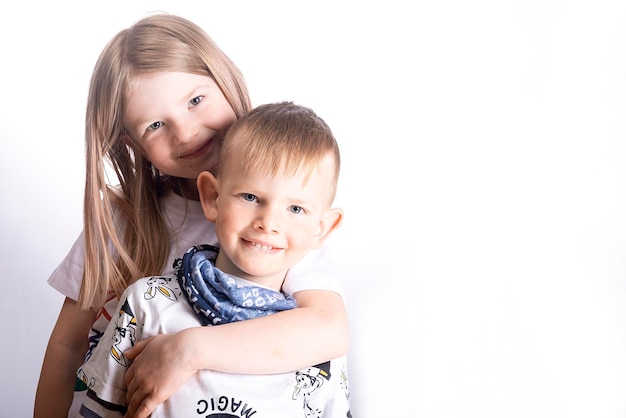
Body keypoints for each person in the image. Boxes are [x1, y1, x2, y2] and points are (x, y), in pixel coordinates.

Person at [34, 14, 348, 418]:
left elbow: (327, 329)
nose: (185, 133)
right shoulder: (122, 217)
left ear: (226, 79)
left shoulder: (281, 223)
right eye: (156, 124)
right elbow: (67, 345)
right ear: (134, 146)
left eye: (196, 100)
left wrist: (187, 350)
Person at [77, 101, 350, 418]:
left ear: (323, 228)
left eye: (295, 209)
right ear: (212, 198)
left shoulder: (317, 345)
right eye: (250, 197)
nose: (268, 222)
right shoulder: (147, 303)